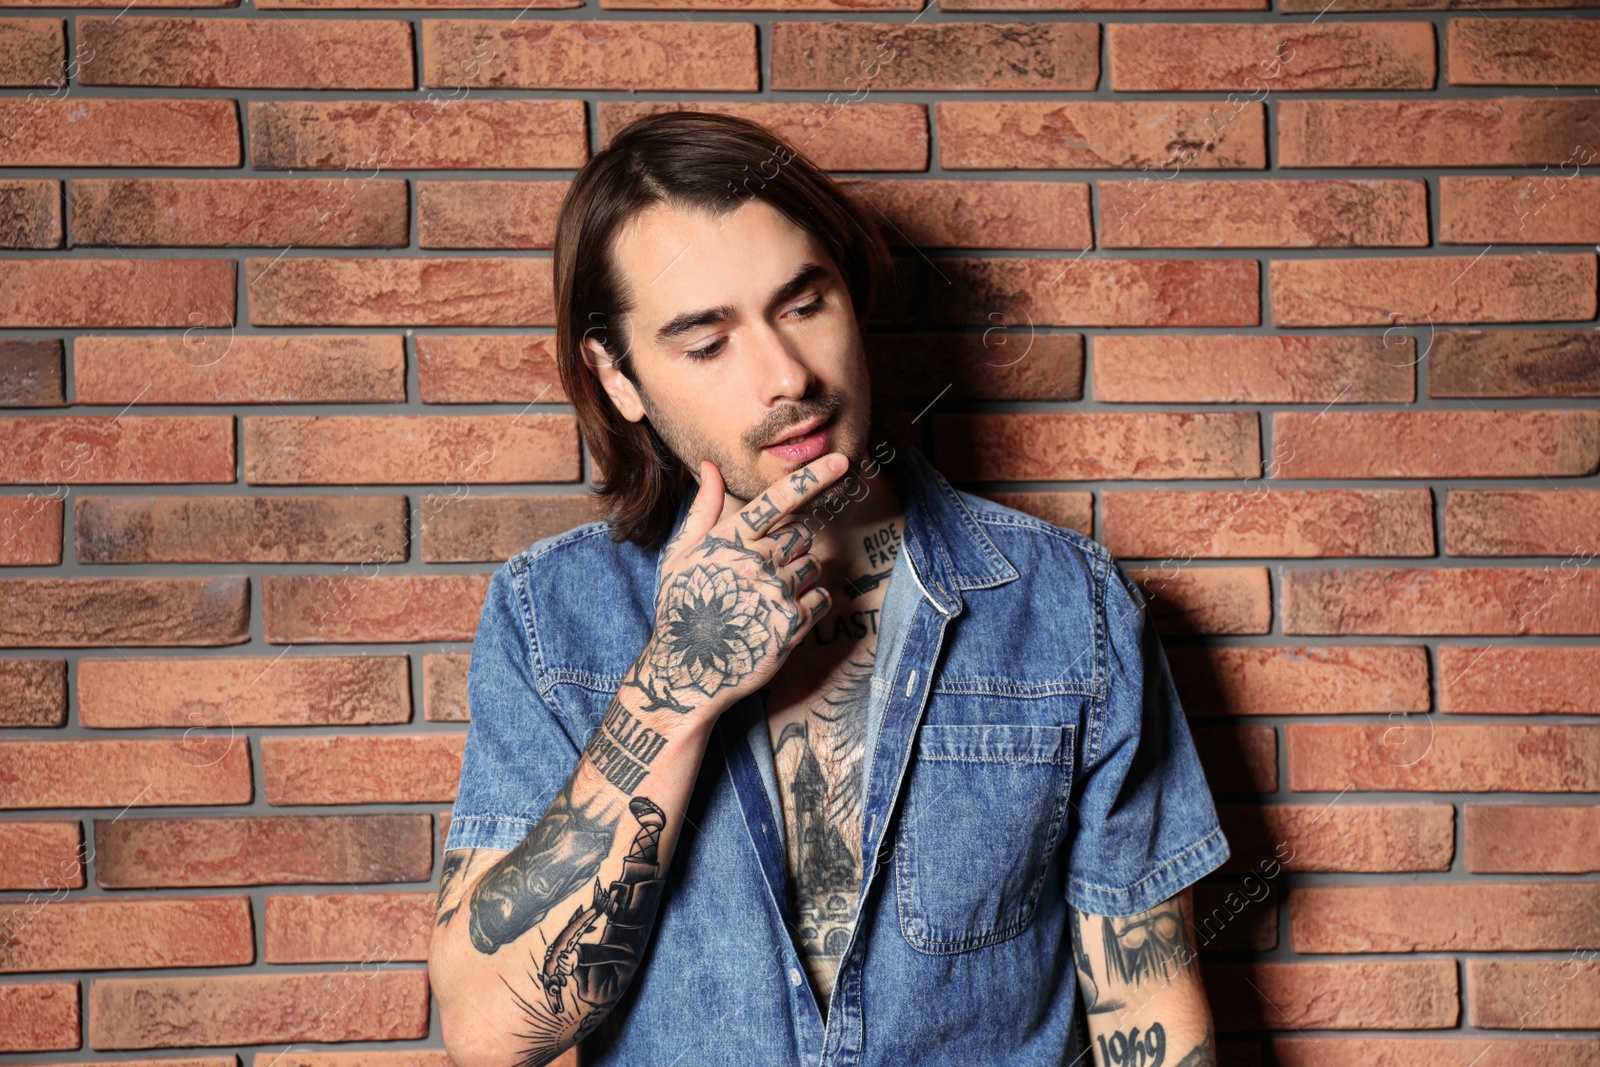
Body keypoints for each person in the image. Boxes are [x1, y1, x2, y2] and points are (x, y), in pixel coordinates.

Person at [427, 110, 1230, 1067]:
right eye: (707, 342)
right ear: (621, 377)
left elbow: (1152, 1022)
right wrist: (677, 686)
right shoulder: (548, 620)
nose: (786, 376)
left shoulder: (1071, 609)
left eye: (804, 305)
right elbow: (493, 1035)